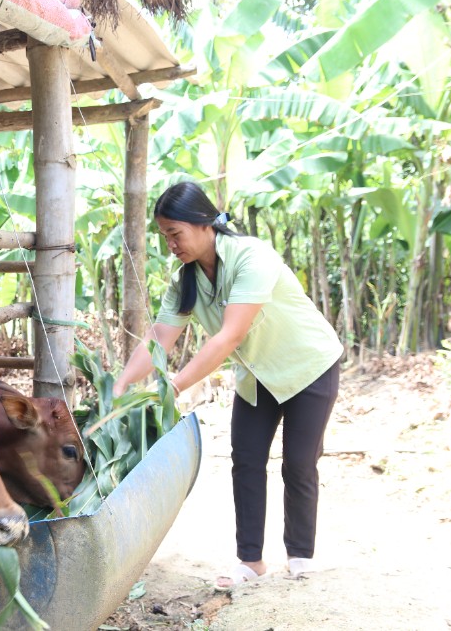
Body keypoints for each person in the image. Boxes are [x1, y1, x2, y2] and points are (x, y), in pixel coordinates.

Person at [113, 180, 343, 588]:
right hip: (259, 377)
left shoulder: (253, 257)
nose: (171, 244)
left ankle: (301, 555)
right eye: (165, 236)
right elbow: (159, 337)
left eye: (175, 234)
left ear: (204, 224)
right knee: (247, 461)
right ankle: (251, 560)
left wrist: (174, 386)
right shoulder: (185, 280)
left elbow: (229, 336)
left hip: (308, 366)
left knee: (299, 463)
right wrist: (119, 386)